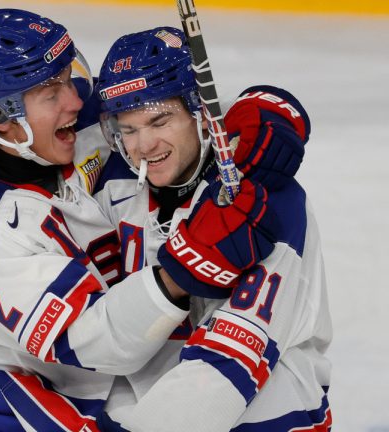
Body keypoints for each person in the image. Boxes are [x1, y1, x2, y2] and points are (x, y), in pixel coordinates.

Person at [0, 10, 279, 432]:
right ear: (0, 116)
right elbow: (100, 346)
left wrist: (267, 116)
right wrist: (184, 270)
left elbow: (185, 112)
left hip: (105, 402)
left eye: (69, 75)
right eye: (51, 92)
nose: (77, 100)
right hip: (15, 414)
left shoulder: (64, 127)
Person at [92, 27, 333, 431]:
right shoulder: (114, 185)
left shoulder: (266, 201)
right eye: (128, 130)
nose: (144, 146)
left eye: (160, 120)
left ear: (200, 112)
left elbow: (221, 372)